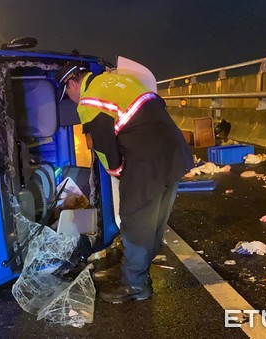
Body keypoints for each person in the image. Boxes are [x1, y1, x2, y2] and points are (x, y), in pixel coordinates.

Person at [56, 61, 194, 303]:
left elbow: (106, 152)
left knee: (135, 221)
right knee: (154, 219)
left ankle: (135, 285)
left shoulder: (89, 102)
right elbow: (155, 103)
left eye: (67, 91)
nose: (71, 97)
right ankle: (141, 269)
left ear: (72, 83)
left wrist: (120, 173)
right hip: (174, 155)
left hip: (146, 162)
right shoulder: (116, 81)